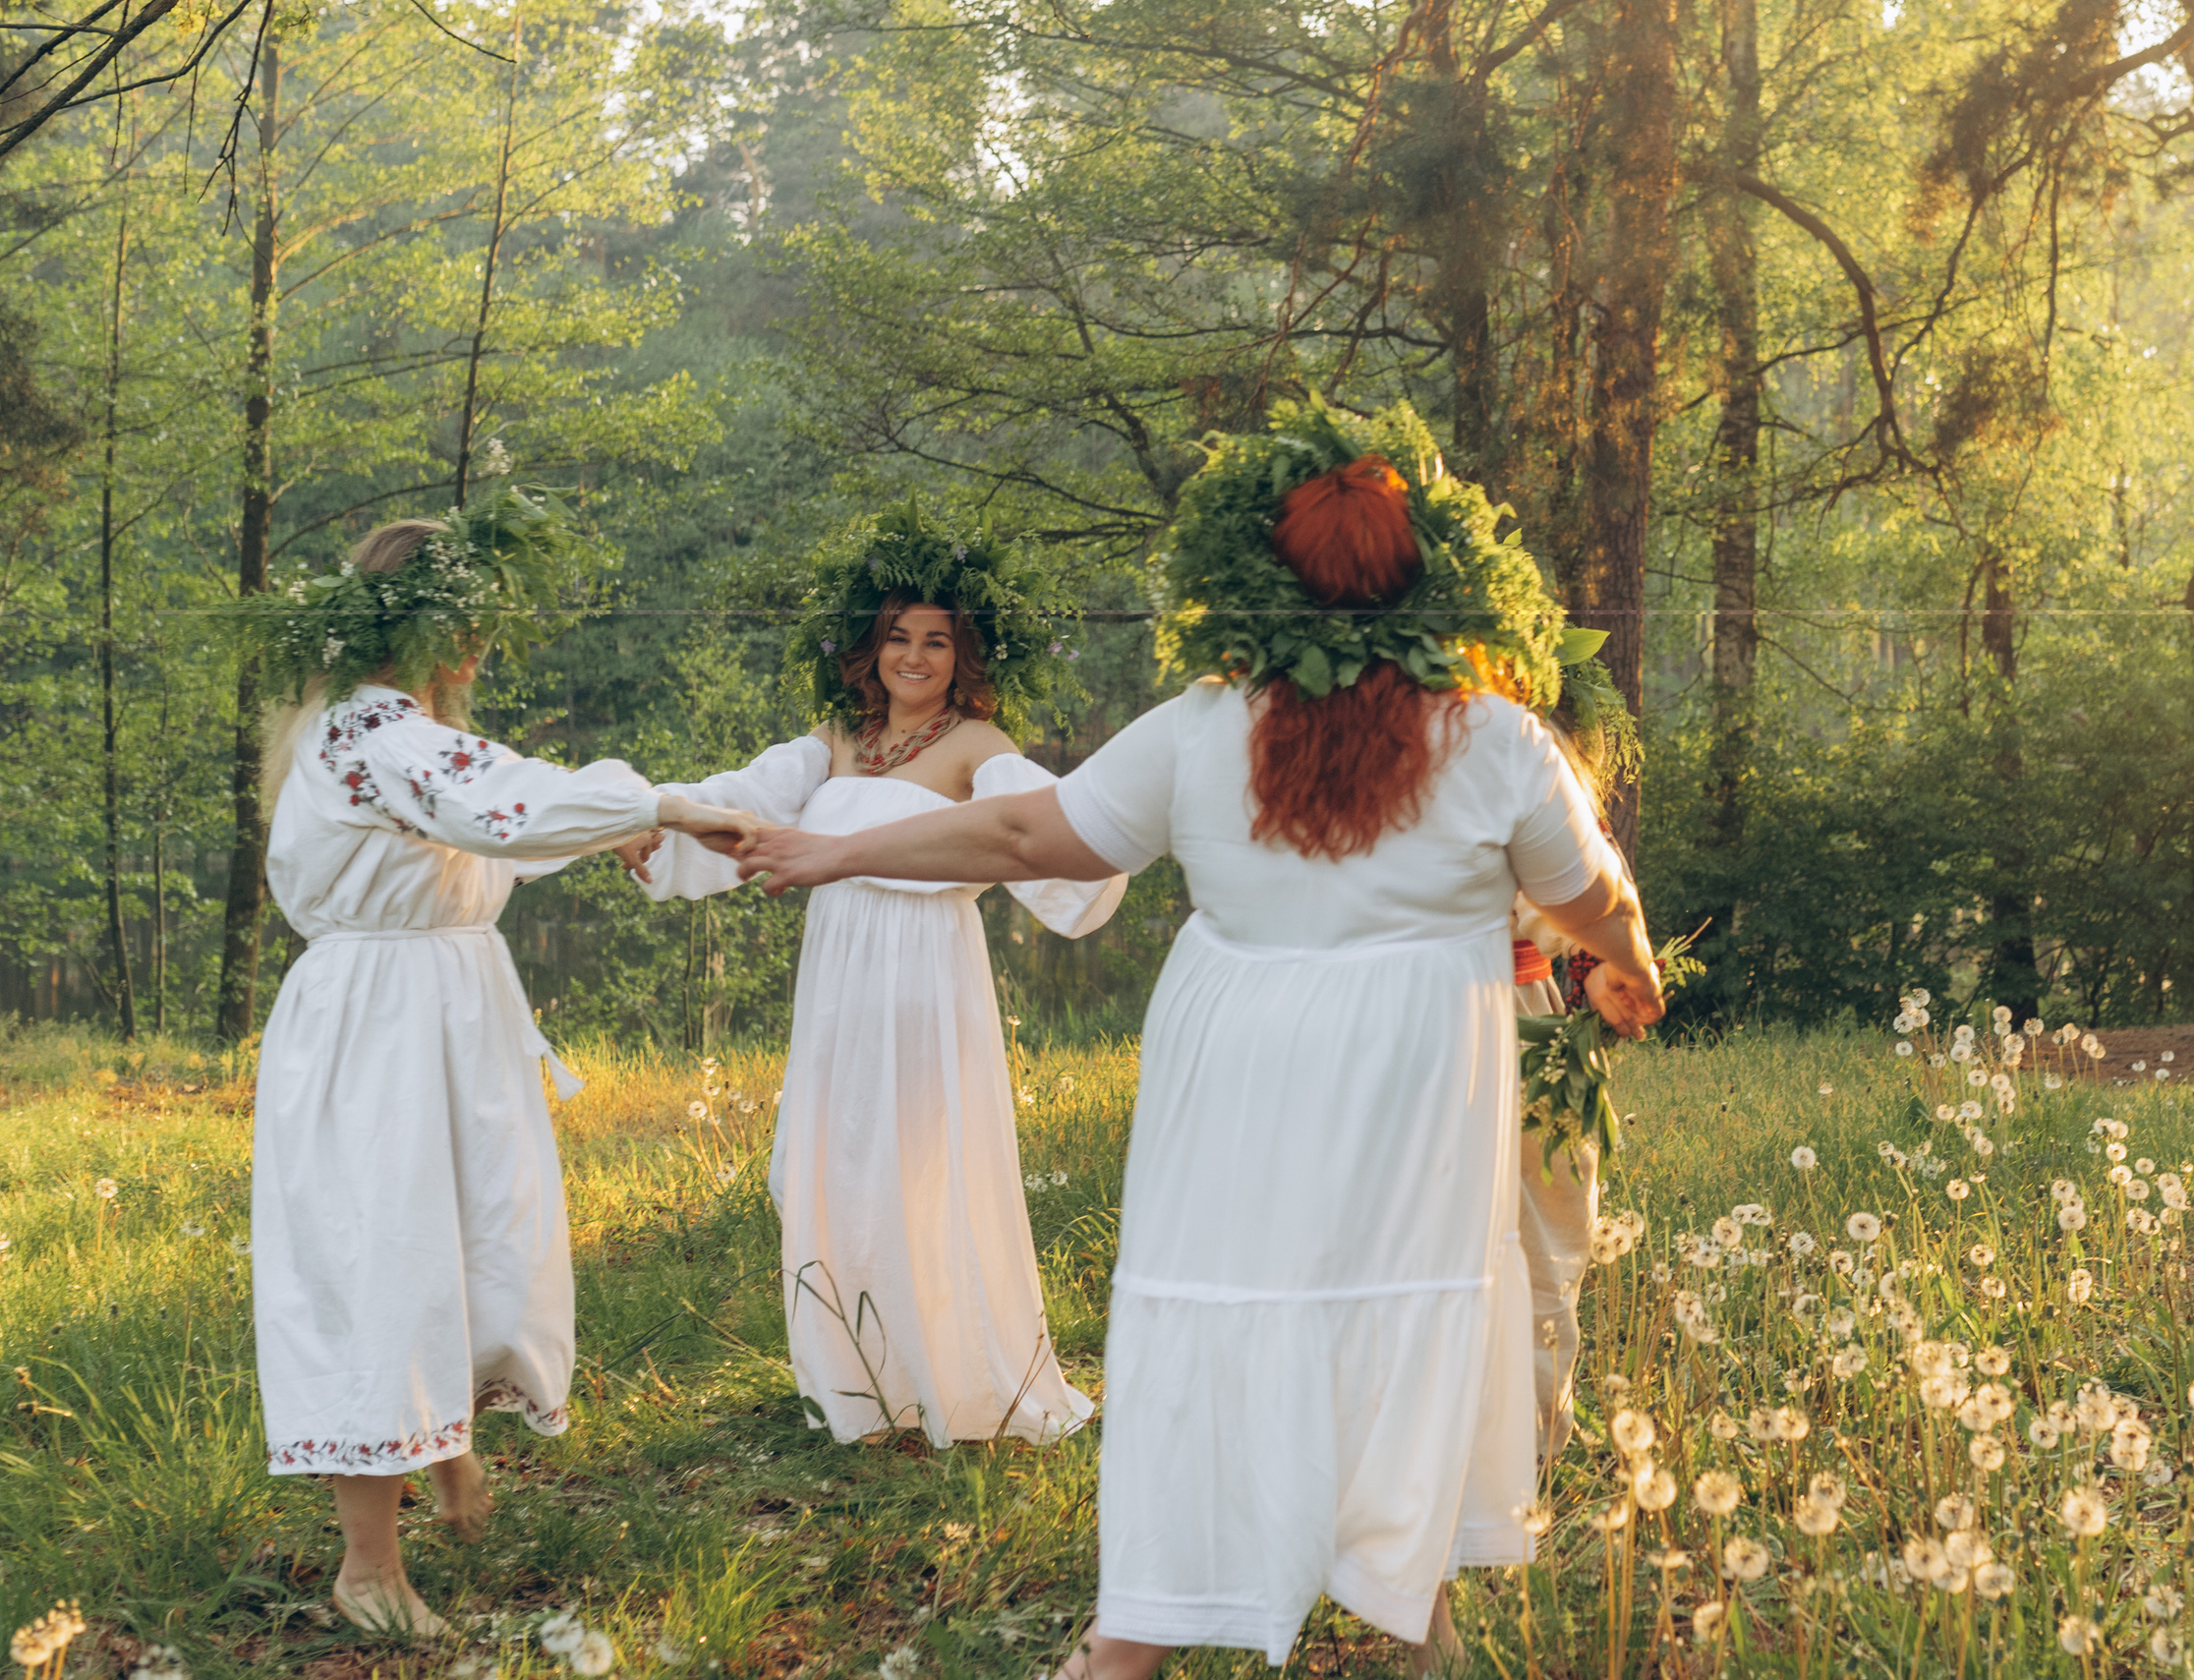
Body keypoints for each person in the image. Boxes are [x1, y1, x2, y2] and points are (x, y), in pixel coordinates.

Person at [735, 404, 1663, 1678]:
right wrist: (1632, 962)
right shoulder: (1493, 735)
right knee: (1393, 1306)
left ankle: (1164, 1635)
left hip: (1238, 1064)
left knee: (1228, 1308)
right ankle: (1399, 1610)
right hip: (1414, 1070)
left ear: (1261, 586)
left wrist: (841, 846)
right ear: (1421, 579)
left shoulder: (1204, 721)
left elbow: (1022, 837)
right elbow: (1591, 894)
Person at [242, 492, 759, 1637]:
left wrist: (606, 828)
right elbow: (502, 804)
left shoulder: (389, 734)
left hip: (441, 1005)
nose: (483, 647)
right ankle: (368, 1565)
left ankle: (452, 1463)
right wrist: (666, 803)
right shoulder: (372, 733)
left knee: (471, 1233)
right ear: (423, 626)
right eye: (471, 622)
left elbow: (484, 838)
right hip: (380, 1027)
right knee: (381, 1253)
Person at [626, 507, 1123, 1448]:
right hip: (838, 978)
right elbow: (747, 796)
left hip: (927, 976)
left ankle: (950, 1379)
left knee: (924, 1166)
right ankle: (858, 1387)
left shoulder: (978, 745)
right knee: (839, 1165)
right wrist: (664, 818)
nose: (915, 655)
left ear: (962, 653)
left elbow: (1043, 831)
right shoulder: (837, 739)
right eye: (899, 635)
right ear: (872, 645)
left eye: (937, 639)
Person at [1505, 641, 1646, 1460]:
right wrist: (1605, 966)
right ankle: (1529, 1438)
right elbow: (1588, 897)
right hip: (1520, 1015)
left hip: (1420, 1017)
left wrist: (1595, 970)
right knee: (1542, 1230)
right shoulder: (1529, 758)